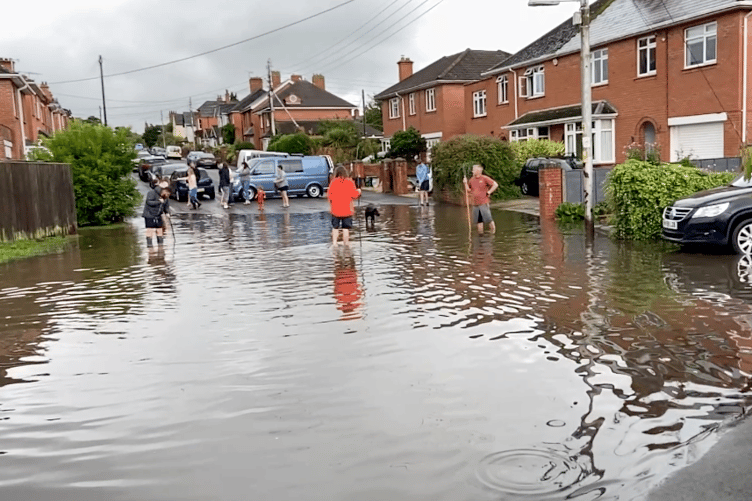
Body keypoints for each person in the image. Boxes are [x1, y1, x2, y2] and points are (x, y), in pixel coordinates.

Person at [327, 165, 361, 246]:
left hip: (335, 210)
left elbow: (329, 196)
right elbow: (354, 195)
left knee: (335, 227)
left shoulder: (333, 182)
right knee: (346, 228)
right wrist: (359, 191)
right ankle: (346, 244)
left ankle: (334, 243)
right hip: (347, 210)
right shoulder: (350, 182)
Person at [463, 163, 499, 233]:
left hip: (483, 203)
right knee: (479, 221)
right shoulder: (471, 180)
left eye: (473, 170)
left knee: (489, 220)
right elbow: (468, 190)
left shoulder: (484, 178)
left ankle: (493, 233)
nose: (472, 171)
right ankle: (480, 235)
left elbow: (495, 184)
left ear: (478, 171)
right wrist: (465, 183)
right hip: (475, 204)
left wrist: (488, 192)